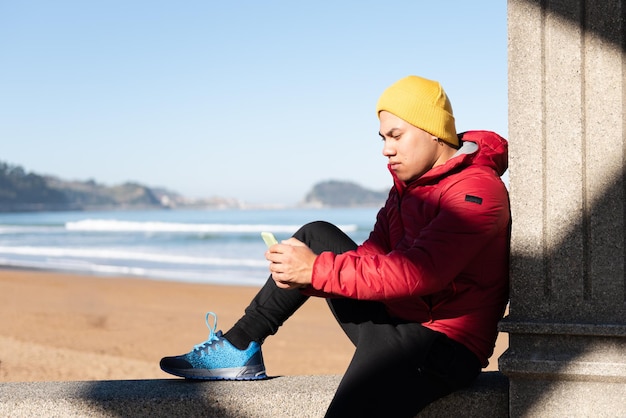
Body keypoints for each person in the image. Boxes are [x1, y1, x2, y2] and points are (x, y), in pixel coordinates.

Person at [160, 75, 510, 417]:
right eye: (383, 137)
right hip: (398, 320)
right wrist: (303, 272)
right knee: (316, 234)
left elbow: (422, 272)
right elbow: (371, 256)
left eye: (396, 136)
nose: (386, 149)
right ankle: (238, 347)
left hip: (442, 347)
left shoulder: (476, 191)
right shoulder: (406, 189)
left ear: (434, 132)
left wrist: (315, 269)